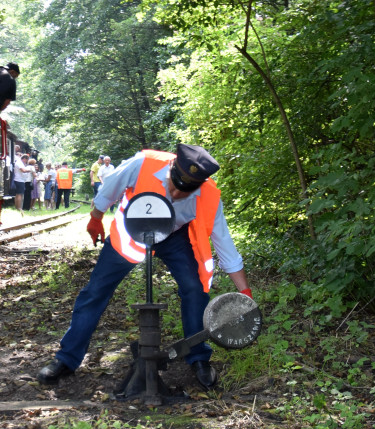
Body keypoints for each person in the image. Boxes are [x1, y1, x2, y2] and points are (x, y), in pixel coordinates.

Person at [37, 144, 252, 390]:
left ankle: (199, 358)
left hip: (174, 237)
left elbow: (225, 246)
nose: (173, 192)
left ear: (199, 185)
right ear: (171, 167)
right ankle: (66, 359)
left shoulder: (209, 195)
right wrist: (95, 217)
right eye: (173, 183)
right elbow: (111, 187)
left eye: (184, 192)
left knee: (195, 289)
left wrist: (245, 294)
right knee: (95, 290)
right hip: (132, 230)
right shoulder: (143, 163)